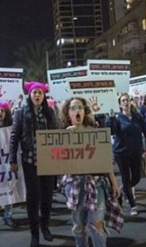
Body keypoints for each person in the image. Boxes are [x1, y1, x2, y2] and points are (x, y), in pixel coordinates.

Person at [60, 97, 121, 247]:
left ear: (84, 111)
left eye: (80, 107)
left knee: (97, 223)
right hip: (74, 185)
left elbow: (105, 160)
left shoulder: (95, 133)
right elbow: (58, 162)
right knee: (79, 225)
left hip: (96, 184)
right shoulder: (62, 136)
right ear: (68, 114)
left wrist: (114, 183)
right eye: (73, 108)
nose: (77, 111)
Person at [9, 81, 59, 247]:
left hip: (49, 161)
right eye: (34, 93)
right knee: (33, 197)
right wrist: (12, 159)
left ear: (44, 95)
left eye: (40, 93)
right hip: (30, 161)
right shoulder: (21, 112)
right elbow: (14, 136)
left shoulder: (50, 112)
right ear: (29, 95)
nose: (37, 95)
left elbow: (57, 134)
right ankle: (34, 233)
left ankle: (45, 226)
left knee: (47, 196)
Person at [106, 93, 146, 216]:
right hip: (122, 152)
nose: (126, 102)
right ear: (120, 104)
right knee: (126, 178)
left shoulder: (137, 116)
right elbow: (112, 131)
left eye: (127, 100)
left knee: (136, 177)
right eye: (123, 100)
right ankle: (133, 205)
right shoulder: (117, 118)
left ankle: (123, 190)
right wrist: (110, 119)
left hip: (136, 151)